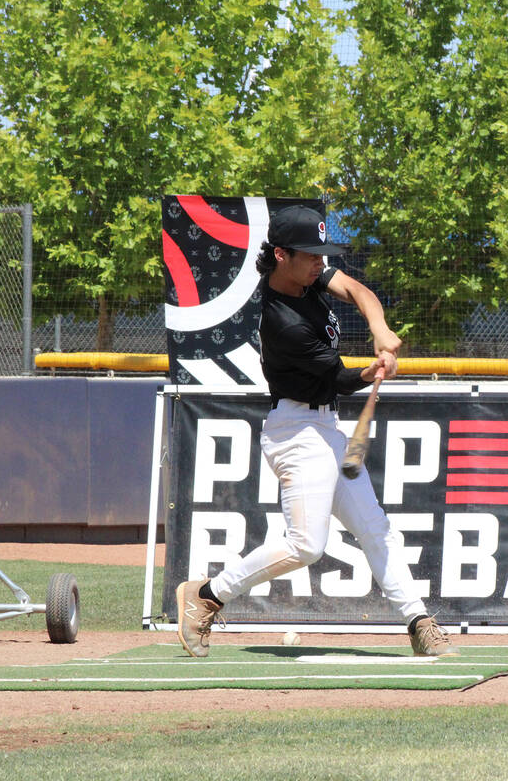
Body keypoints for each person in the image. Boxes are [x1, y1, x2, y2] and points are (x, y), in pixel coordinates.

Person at [175, 204, 457, 657]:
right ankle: (207, 595)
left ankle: (419, 622)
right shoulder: (281, 320)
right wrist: (373, 371)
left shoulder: (312, 275)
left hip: (326, 427)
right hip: (295, 432)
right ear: (283, 255)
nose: (321, 263)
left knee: (375, 528)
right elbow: (338, 379)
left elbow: (359, 290)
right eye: (311, 255)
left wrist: (379, 328)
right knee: (306, 546)